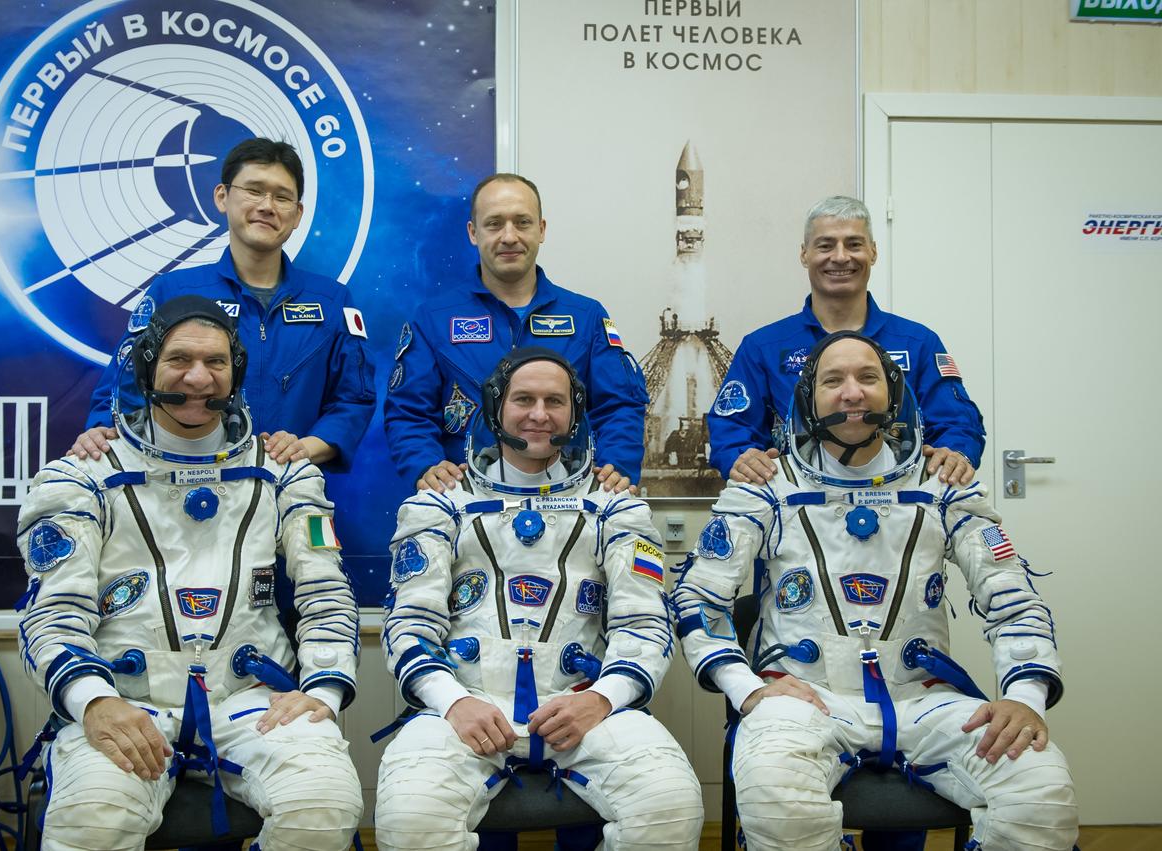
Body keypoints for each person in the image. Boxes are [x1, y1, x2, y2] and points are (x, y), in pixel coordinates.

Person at [673, 332, 1077, 851]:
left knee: (1042, 794)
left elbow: (1014, 601)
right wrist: (746, 687)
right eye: (832, 380)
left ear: (893, 394)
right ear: (807, 398)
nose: (851, 392)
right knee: (778, 803)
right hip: (804, 697)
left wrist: (1024, 699)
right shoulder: (766, 486)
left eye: (868, 378)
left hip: (925, 700)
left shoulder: (942, 485)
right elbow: (699, 598)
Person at [16, 296, 363, 849]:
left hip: (251, 700)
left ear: (236, 373)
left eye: (217, 363)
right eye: (179, 359)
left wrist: (322, 687)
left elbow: (326, 595)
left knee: (324, 808)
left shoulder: (285, 473)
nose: (198, 378)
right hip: (125, 699)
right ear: (147, 365)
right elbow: (52, 616)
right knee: (93, 823)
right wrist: (93, 701)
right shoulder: (80, 478)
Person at [373, 347, 703, 850]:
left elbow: (647, 625)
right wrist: (453, 701)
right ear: (495, 408)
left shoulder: (617, 509)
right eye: (523, 399)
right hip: (468, 707)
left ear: (575, 414)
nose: (539, 414)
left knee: (670, 808)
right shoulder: (438, 506)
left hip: (584, 707)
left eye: (555, 401)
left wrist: (601, 698)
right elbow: (409, 627)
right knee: (410, 820)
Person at [71, 137, 375, 470]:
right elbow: (121, 390)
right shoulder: (173, 291)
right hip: (177, 486)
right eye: (254, 190)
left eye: (282, 196)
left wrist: (301, 451)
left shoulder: (331, 301)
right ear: (222, 197)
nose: (267, 206)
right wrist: (100, 432)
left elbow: (354, 401)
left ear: (298, 213)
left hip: (288, 489)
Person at [384, 173, 649, 494]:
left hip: (571, 500)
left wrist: (615, 469)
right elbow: (408, 411)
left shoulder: (586, 317)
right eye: (494, 224)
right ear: (473, 232)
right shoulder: (434, 319)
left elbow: (619, 406)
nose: (509, 236)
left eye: (522, 222)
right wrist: (425, 465)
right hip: (465, 498)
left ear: (541, 229)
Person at [708, 195, 984, 489]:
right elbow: (732, 427)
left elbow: (957, 423)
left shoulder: (918, 343)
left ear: (873, 252)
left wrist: (955, 454)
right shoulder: (763, 348)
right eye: (825, 245)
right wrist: (743, 457)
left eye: (854, 244)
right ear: (804, 254)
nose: (840, 257)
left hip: (901, 508)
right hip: (796, 513)